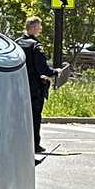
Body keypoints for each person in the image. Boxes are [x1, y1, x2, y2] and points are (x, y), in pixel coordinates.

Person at [17, 16, 59, 153]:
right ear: (34, 28)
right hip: (34, 87)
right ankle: (34, 145)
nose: (40, 29)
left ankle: (19, 143)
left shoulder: (16, 43)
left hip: (18, 85)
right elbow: (42, 69)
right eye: (39, 27)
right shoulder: (36, 46)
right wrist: (54, 72)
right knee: (34, 116)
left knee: (20, 116)